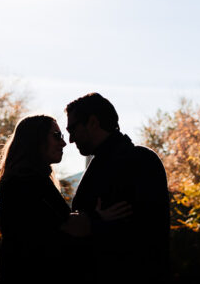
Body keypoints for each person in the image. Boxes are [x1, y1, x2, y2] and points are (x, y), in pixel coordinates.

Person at [0, 114, 130, 283]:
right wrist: (97, 219)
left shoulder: (28, 181)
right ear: (36, 139)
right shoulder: (25, 184)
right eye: (57, 136)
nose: (63, 143)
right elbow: (56, 234)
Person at [67, 93, 170, 284]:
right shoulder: (119, 162)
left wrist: (91, 223)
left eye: (73, 128)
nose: (70, 139)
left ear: (93, 122)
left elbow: (139, 232)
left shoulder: (138, 162)